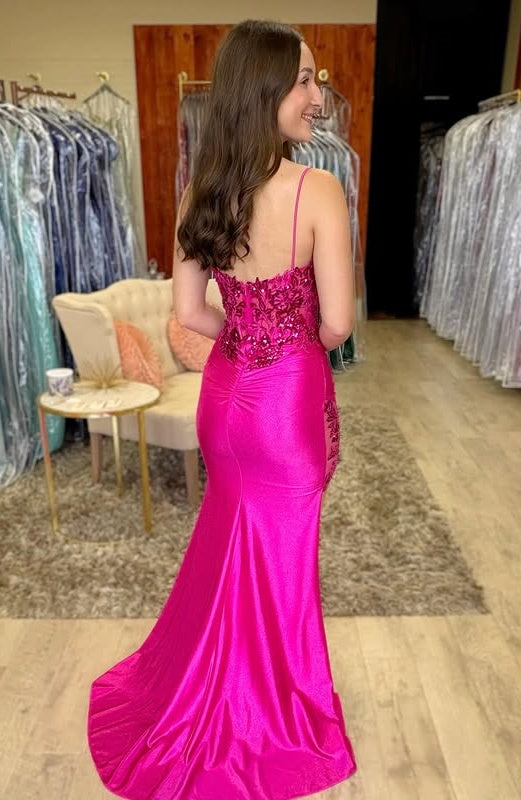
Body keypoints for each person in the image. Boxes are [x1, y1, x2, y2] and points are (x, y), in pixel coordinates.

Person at [87, 19, 357, 799]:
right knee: (280, 560)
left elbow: (189, 313)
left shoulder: (200, 192)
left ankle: (213, 685)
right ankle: (270, 715)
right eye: (302, 80)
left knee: (231, 544)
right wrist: (287, 340)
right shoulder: (316, 189)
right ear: (263, 90)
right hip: (285, 405)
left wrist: (246, 331)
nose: (316, 96)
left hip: (225, 398)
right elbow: (337, 324)